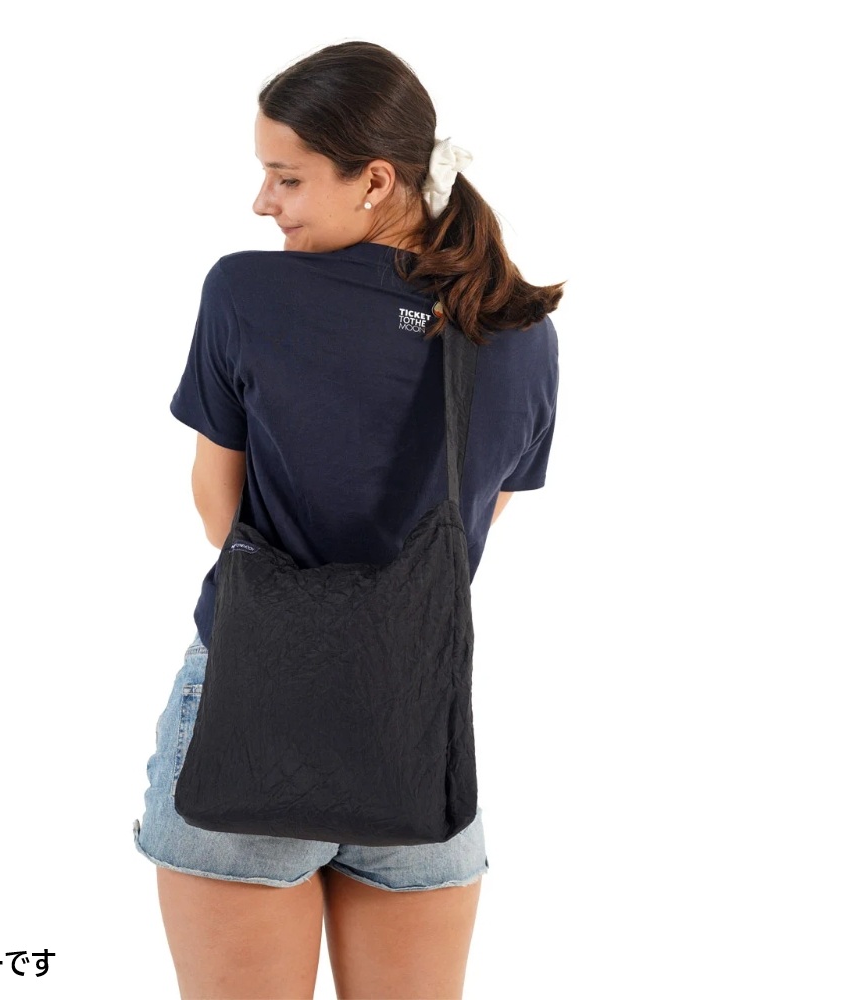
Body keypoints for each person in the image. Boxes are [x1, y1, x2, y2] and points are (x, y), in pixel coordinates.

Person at [133, 39, 564, 999]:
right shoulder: (517, 331)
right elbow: (474, 521)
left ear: (375, 179)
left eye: (286, 178)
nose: (263, 203)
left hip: (248, 714)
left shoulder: (247, 292)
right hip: (414, 734)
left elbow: (218, 511)